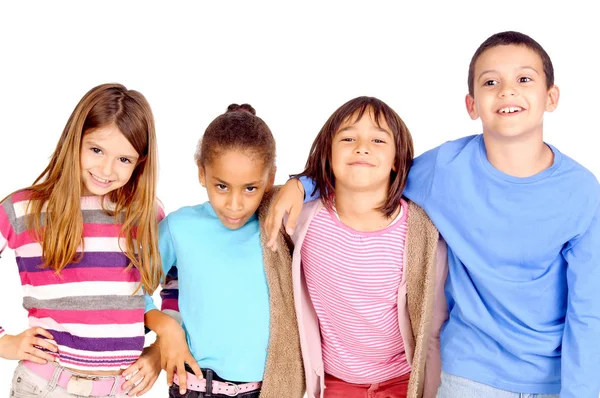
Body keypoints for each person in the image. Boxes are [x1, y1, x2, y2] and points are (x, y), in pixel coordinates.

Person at [268, 31, 600, 398]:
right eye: (491, 82)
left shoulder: (583, 191)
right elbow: (373, 172)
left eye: (524, 79)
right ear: (471, 104)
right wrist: (302, 184)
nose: (507, 91)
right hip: (469, 372)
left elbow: (590, 311)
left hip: (555, 377)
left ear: (551, 97)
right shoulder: (445, 170)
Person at [268, 96, 446, 398]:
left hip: (403, 382)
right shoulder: (302, 219)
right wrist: (298, 183)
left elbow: (434, 326)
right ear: (328, 153)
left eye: (378, 140)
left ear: (397, 161)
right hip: (335, 383)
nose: (362, 147)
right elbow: (245, 200)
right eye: (348, 138)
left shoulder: (421, 231)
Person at [0, 83, 164, 397]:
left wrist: (158, 352)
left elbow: (181, 284)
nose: (106, 169)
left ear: (140, 162)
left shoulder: (145, 215)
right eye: (96, 150)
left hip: (120, 389)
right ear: (75, 140)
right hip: (44, 386)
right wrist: (4, 342)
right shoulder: (23, 210)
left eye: (124, 160)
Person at [145, 104, 305, 398]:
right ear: (201, 173)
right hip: (195, 387)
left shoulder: (279, 224)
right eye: (221, 186)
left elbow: (340, 188)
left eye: (250, 189)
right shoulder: (179, 227)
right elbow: (129, 287)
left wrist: (300, 185)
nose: (234, 205)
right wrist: (166, 327)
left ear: (270, 180)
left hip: (271, 389)